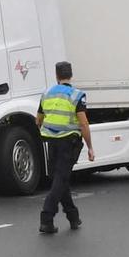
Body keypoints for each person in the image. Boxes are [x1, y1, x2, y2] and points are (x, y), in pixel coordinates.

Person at [37, 60, 93, 235]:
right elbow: (83, 124)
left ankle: (73, 216)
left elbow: (38, 119)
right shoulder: (76, 95)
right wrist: (90, 147)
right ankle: (46, 217)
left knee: (60, 179)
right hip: (68, 142)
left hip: (50, 142)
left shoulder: (46, 94)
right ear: (71, 75)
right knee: (61, 179)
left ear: (56, 75)